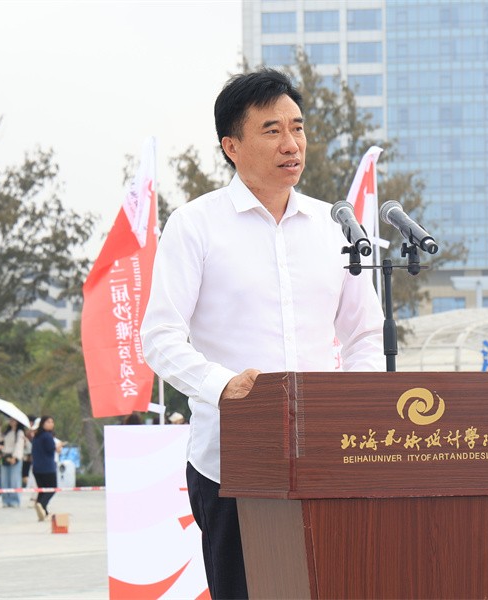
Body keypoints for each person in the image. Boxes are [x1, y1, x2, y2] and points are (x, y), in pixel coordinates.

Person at [140, 68, 384, 599]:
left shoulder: (336, 227)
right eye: (272, 130)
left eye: (297, 127)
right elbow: (159, 337)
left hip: (329, 453)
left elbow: (365, 333)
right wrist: (222, 385)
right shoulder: (195, 224)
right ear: (231, 146)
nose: (291, 144)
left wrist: (355, 401)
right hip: (231, 459)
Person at [31, 415, 62, 522]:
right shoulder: (47, 436)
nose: (51, 424)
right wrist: (58, 446)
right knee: (52, 488)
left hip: (36, 468)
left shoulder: (36, 436)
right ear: (42, 424)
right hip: (47, 468)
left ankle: (44, 511)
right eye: (48, 422)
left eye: (52, 422)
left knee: (42, 490)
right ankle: (41, 504)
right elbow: (50, 449)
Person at [0, 419, 25, 508]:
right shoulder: (7, 432)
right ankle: (5, 500)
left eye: (14, 420)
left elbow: (19, 445)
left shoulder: (20, 432)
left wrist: (15, 457)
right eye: (11, 420)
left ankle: (15, 500)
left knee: (15, 480)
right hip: (5, 456)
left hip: (15, 457)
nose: (12, 422)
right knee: (4, 480)